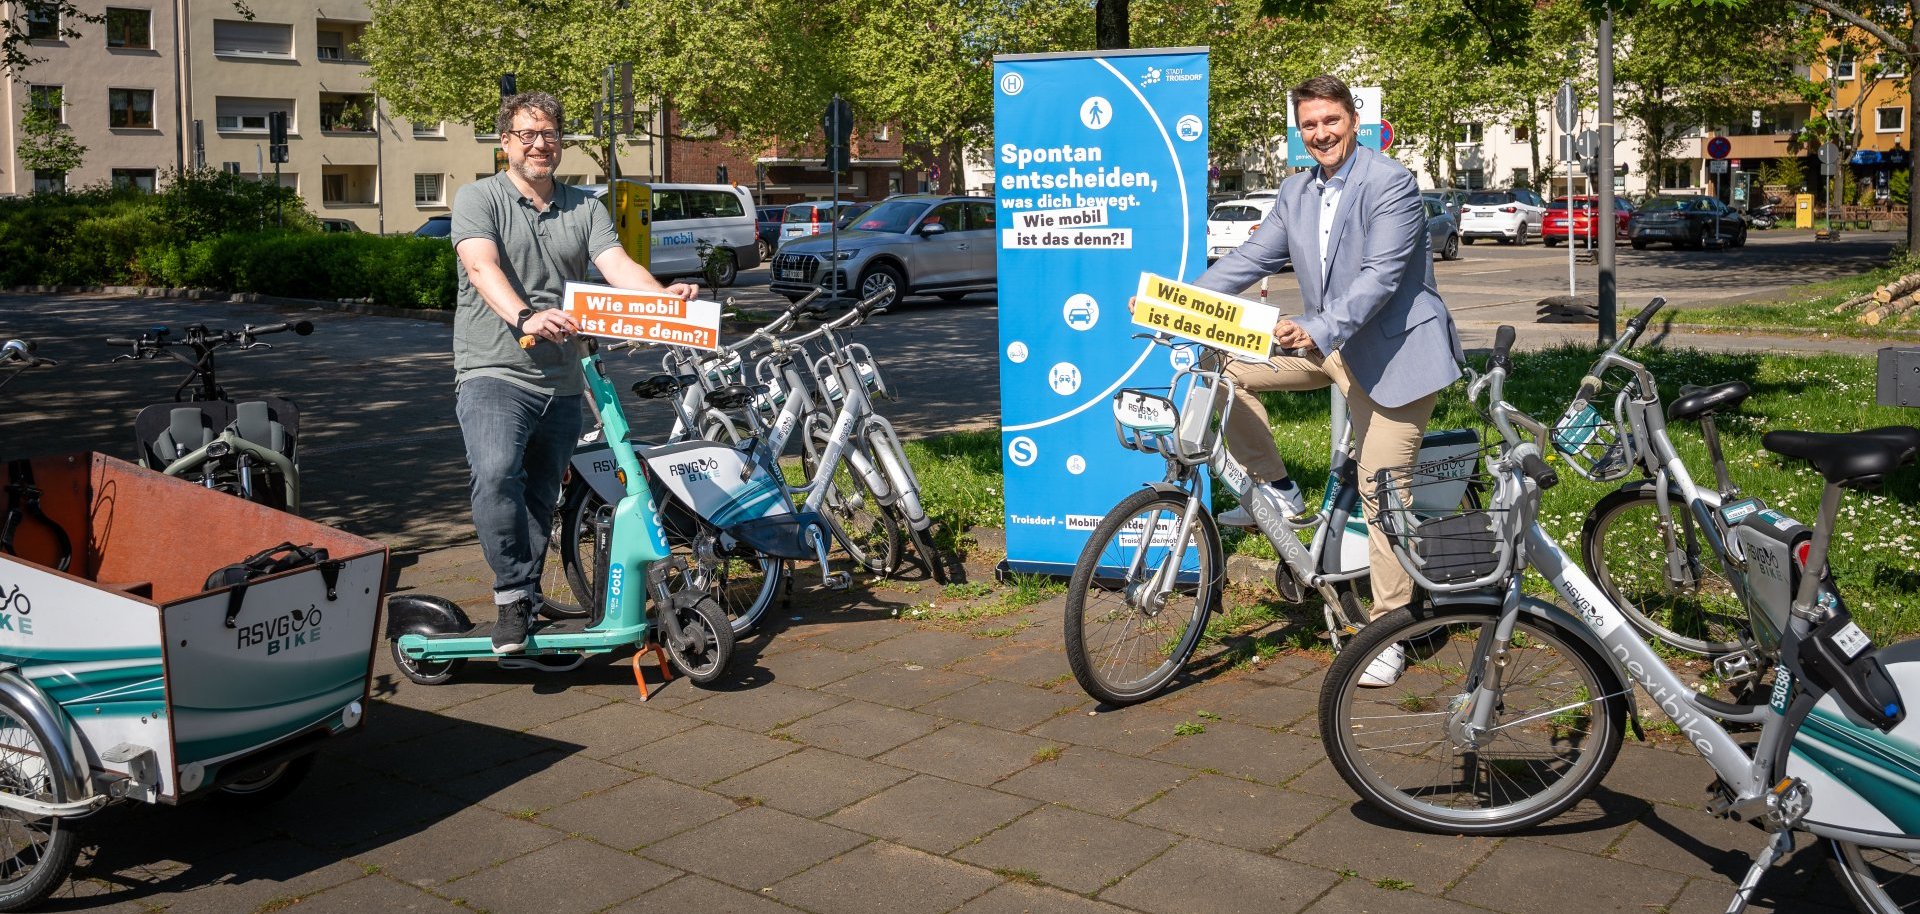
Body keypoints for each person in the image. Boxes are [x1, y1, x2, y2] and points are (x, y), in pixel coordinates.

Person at [1192, 74, 1465, 687]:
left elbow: (1382, 276)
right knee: (1221, 368)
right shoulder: (1295, 191)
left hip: (1396, 356)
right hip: (1329, 345)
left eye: (1330, 121)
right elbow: (1253, 258)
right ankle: (1278, 487)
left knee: (1381, 488)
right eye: (1309, 125)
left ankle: (1390, 629)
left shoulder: (1389, 182)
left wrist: (1316, 327)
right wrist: (1179, 297)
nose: (1321, 134)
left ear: (1353, 119)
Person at [450, 91, 698, 654]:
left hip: (563, 377)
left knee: (540, 495)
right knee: (495, 475)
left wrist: (667, 300)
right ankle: (512, 594)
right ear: (506, 142)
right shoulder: (478, 198)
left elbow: (618, 266)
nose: (541, 144)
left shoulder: (584, 206)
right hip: (493, 367)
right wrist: (524, 316)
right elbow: (480, 265)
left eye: (550, 134)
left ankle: (526, 597)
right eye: (527, 135)